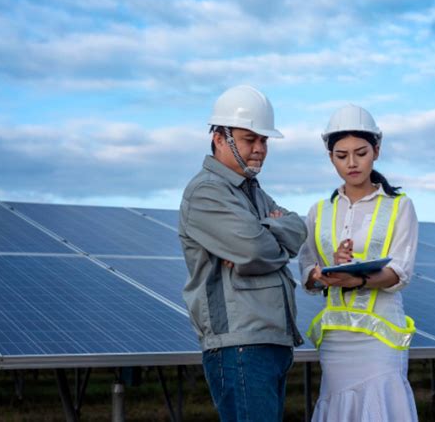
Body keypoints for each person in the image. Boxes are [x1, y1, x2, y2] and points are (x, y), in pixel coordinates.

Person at [179, 85, 307, 422]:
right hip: (240, 346)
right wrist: (268, 238)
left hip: (269, 340)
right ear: (220, 138)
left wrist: (264, 232)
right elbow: (253, 248)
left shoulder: (252, 192)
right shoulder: (207, 191)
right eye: (251, 139)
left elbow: (298, 229)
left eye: (264, 141)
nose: (260, 149)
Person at [298, 104, 418, 421]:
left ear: (376, 150)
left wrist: (360, 279)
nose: (351, 163)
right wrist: (325, 273)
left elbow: (401, 272)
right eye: (341, 155)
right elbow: (307, 274)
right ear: (330, 157)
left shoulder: (400, 206)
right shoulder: (318, 211)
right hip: (336, 339)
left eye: (360, 152)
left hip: (381, 339)